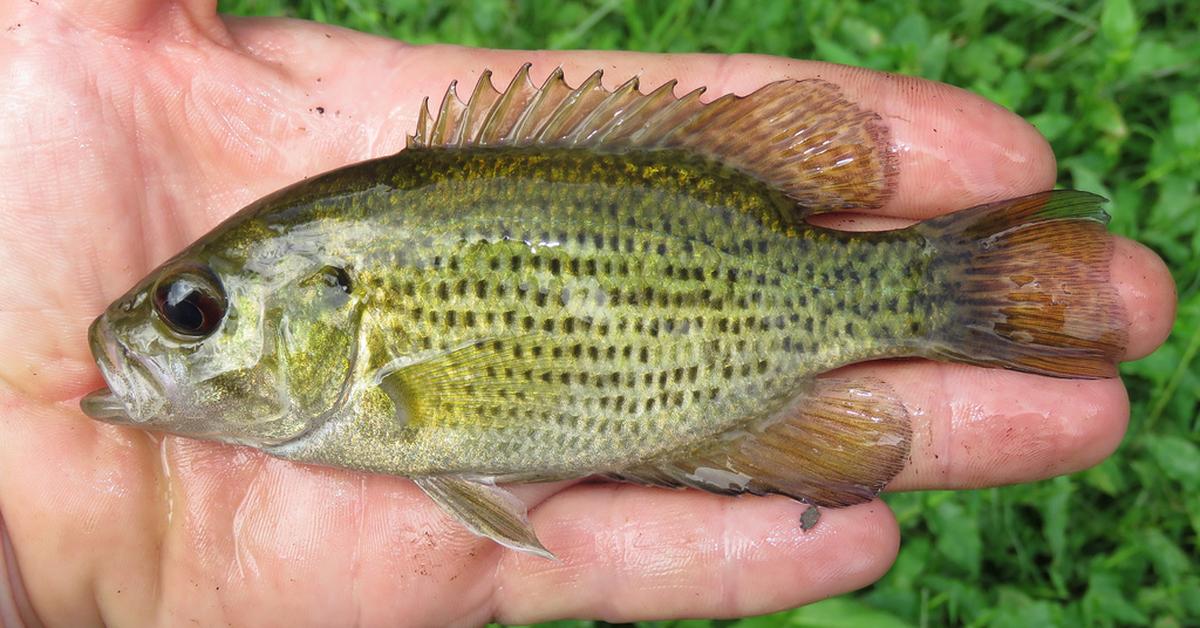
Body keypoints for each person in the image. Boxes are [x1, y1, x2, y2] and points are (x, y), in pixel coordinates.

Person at [0, 1, 1175, 625]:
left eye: (195, 312)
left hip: (746, 314)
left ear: (330, 302)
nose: (161, 338)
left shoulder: (358, 324)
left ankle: (965, 287)